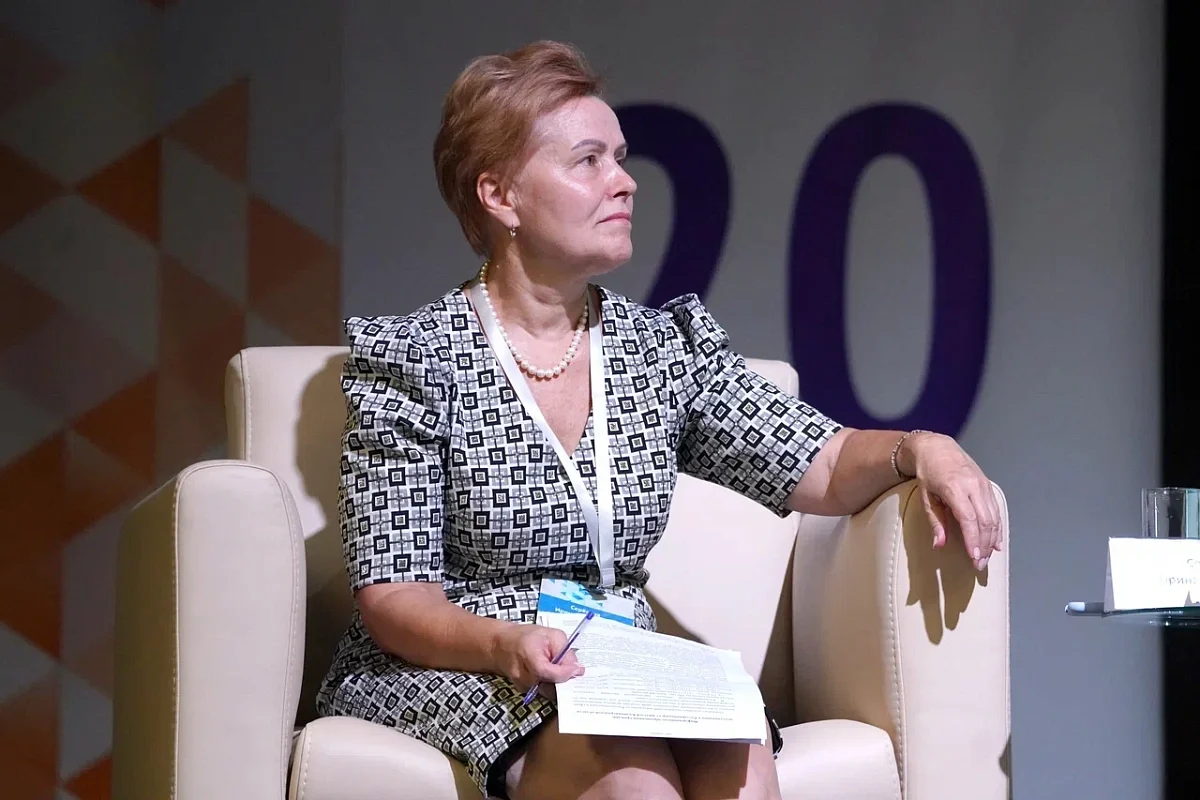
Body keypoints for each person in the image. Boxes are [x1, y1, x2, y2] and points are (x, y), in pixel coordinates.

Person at [315, 39, 1003, 800]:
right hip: (468, 661)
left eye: (619, 158)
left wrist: (923, 449)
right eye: (588, 161)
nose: (625, 181)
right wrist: (506, 643)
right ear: (500, 196)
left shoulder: (659, 351)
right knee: (632, 777)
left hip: (618, 663)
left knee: (740, 751)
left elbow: (827, 463)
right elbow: (396, 597)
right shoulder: (415, 360)